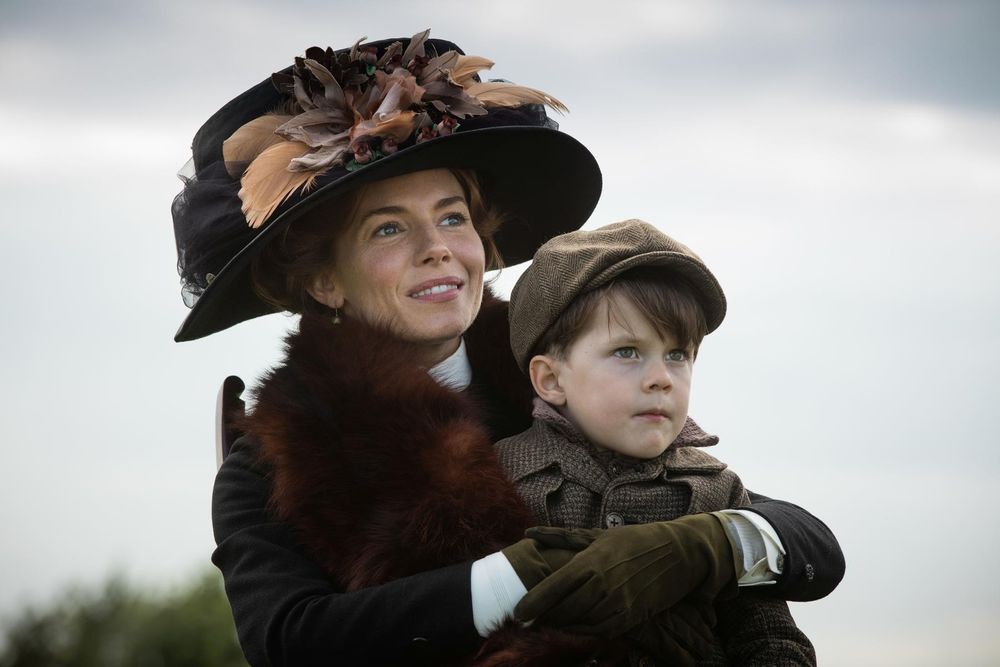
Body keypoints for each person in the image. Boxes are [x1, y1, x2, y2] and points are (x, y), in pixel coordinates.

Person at [171, 31, 845, 665]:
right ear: (323, 280)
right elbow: (288, 639)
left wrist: (709, 542)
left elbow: (792, 535)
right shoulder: (274, 459)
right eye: (387, 229)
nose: (437, 247)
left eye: (452, 216)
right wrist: (515, 579)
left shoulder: (564, 376)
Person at [495, 219, 818, 664]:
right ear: (550, 379)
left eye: (678, 354)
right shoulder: (495, 476)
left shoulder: (716, 488)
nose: (661, 378)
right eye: (627, 352)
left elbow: (768, 635)